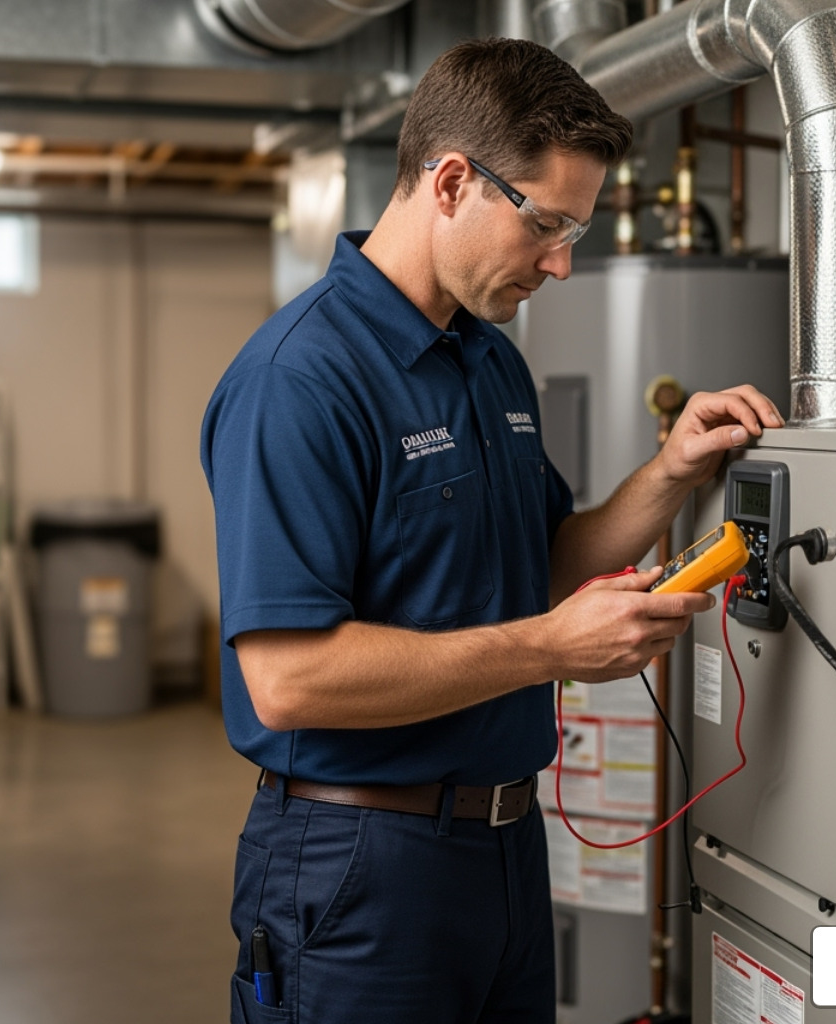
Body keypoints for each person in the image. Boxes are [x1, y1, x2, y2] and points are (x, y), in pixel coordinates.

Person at [201, 37, 783, 1024]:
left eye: (577, 233)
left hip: (507, 848)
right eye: (547, 224)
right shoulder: (299, 380)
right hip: (360, 866)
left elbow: (544, 563)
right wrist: (547, 651)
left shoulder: (488, 362)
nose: (559, 263)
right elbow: (288, 678)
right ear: (453, 181)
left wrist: (672, 470)